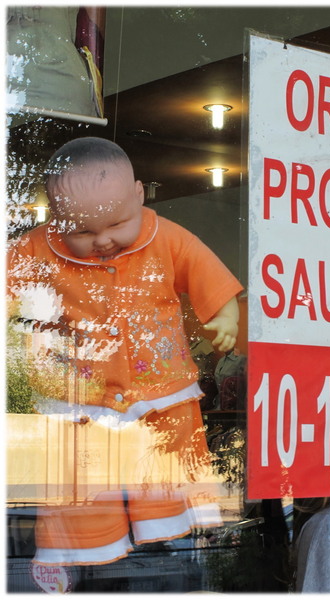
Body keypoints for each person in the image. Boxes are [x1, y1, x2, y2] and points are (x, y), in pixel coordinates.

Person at [7, 136, 244, 566]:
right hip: (80, 396)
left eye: (116, 224)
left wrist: (226, 317)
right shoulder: (37, 248)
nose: (102, 240)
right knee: (82, 480)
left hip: (160, 390)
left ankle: (166, 523)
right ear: (56, 217)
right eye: (82, 231)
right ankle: (89, 541)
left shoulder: (167, 237)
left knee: (165, 468)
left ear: (139, 195)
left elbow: (205, 270)